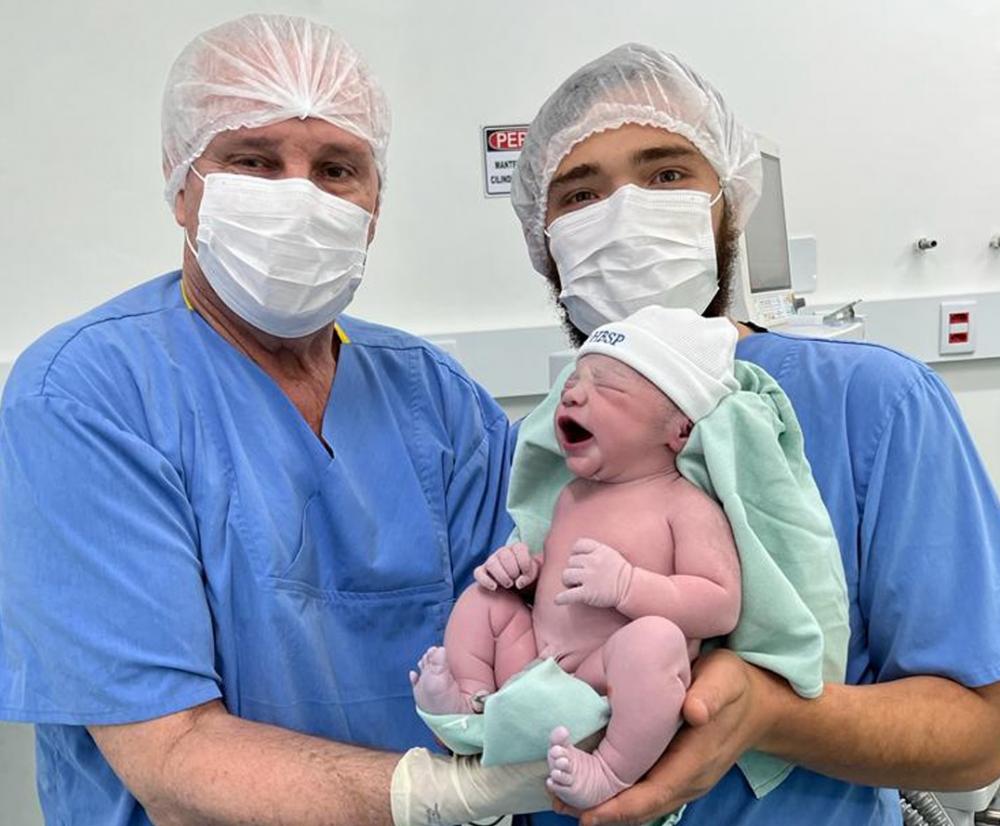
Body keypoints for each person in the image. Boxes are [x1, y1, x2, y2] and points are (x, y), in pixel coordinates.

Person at [0, 15, 517, 825]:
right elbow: (172, 761)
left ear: (375, 203)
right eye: (253, 161)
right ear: (181, 184)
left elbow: (521, 642)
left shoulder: (440, 400)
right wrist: (446, 796)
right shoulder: (86, 394)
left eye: (337, 168)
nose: (298, 198)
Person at [505, 43, 1000, 826]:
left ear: (726, 207)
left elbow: (981, 735)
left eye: (667, 175)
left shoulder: (874, 408)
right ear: (545, 244)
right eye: (580, 193)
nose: (626, 212)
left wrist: (772, 715)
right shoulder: (541, 445)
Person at [410, 307, 742, 810]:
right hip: (536, 656)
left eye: (606, 388)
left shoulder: (685, 506)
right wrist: (524, 574)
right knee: (485, 599)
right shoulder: (571, 496)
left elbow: (719, 604)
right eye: (573, 380)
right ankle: (474, 705)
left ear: (678, 430)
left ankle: (610, 769)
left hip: (606, 675)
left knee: (656, 642)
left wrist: (629, 586)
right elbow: (552, 582)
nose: (573, 393)